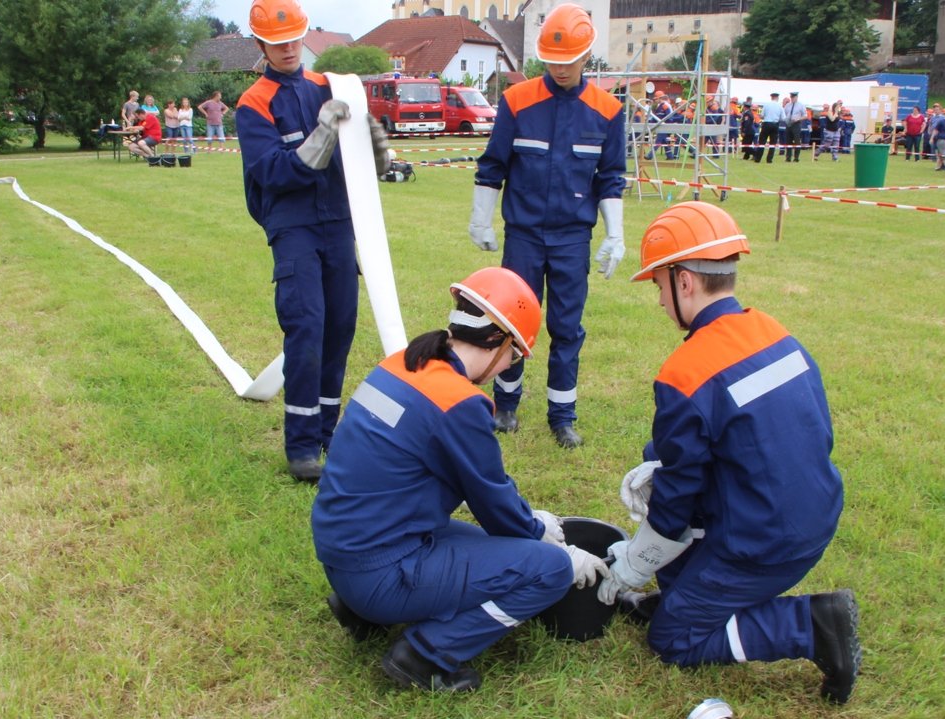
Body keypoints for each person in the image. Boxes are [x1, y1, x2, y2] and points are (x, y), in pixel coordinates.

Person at [597, 201, 860, 704]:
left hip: (764, 544)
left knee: (672, 638)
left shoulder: (686, 372)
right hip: (811, 512)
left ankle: (811, 625)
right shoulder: (776, 334)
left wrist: (636, 562)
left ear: (685, 282)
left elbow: (677, 498)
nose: (659, 301)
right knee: (663, 452)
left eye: (658, 286)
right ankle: (688, 596)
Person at [312, 267, 608, 692]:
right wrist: (544, 537)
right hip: (377, 571)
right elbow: (493, 503)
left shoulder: (401, 364)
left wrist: (531, 523)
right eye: (514, 355)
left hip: (346, 551)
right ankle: (423, 654)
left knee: (494, 547)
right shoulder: (459, 403)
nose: (508, 365)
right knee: (548, 570)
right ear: (501, 341)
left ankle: (364, 611)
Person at [235, 0, 391, 481]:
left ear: (304, 36)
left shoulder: (329, 87)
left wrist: (376, 147)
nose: (287, 49)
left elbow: (367, 170)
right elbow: (272, 173)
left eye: (293, 39)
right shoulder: (253, 104)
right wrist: (320, 137)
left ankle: (329, 432)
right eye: (276, 42)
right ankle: (302, 447)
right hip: (294, 227)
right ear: (260, 44)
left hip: (340, 225)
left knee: (340, 328)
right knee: (306, 332)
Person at [468, 2, 626, 450]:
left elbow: (611, 177)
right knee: (510, 323)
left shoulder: (607, 111)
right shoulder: (517, 101)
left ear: (587, 55)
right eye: (552, 61)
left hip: (572, 237)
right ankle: (506, 406)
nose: (560, 68)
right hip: (523, 235)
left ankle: (562, 415)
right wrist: (481, 219)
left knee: (566, 327)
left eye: (569, 60)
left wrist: (614, 234)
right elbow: (493, 164)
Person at [756, 92, 783, 162]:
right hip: (775, 124)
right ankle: (769, 159)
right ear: (777, 98)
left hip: (766, 123)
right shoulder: (780, 106)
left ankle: (758, 158)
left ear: (771, 97)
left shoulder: (766, 105)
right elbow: (783, 118)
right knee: (773, 143)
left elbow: (762, 115)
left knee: (762, 142)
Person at [784, 91, 806, 162]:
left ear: (796, 97)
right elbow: (785, 114)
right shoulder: (787, 105)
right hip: (788, 124)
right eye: (791, 97)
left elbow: (805, 116)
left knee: (797, 141)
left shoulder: (801, 105)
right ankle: (788, 157)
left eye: (793, 97)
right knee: (788, 141)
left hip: (796, 124)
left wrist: (798, 119)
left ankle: (796, 157)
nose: (792, 98)